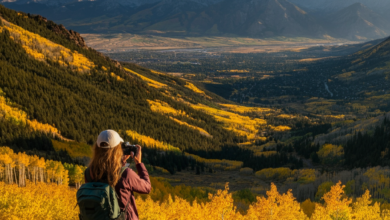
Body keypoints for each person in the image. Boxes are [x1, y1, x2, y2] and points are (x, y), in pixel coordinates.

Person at [85, 130, 151, 220]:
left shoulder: (89, 172)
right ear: (118, 149)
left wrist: (121, 162)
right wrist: (139, 163)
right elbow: (147, 187)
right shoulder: (125, 174)